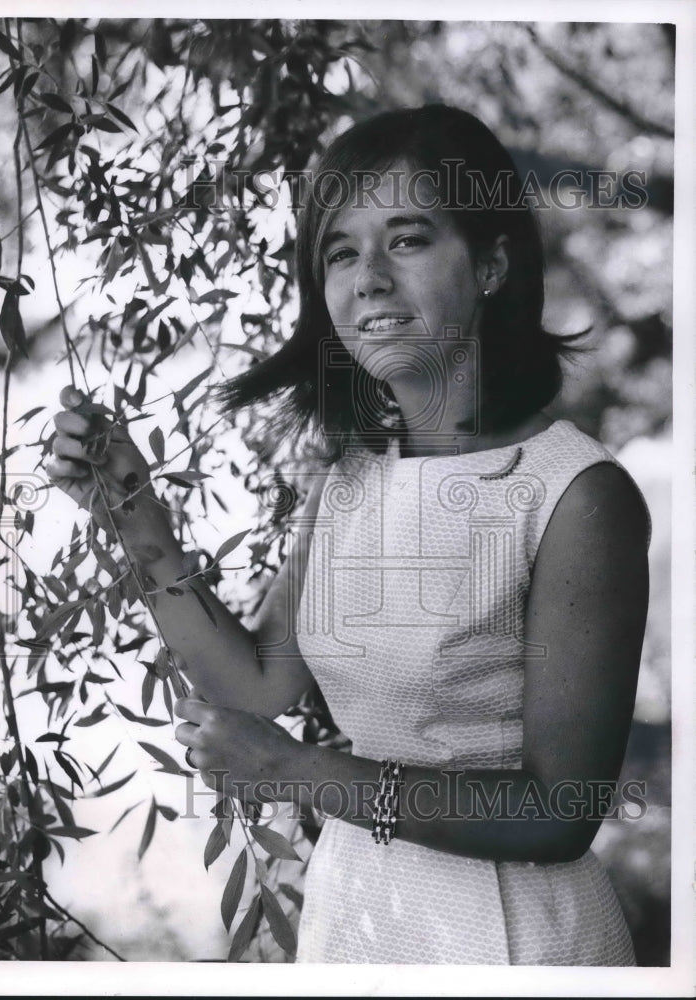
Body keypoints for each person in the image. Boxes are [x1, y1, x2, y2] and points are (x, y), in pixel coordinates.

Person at [47, 104, 650, 965]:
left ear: (491, 262)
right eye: (340, 251)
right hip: (360, 923)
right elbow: (257, 687)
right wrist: (135, 516)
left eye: (406, 239)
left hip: (513, 943)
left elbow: (558, 811)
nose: (366, 276)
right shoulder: (354, 479)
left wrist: (295, 772)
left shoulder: (576, 497)